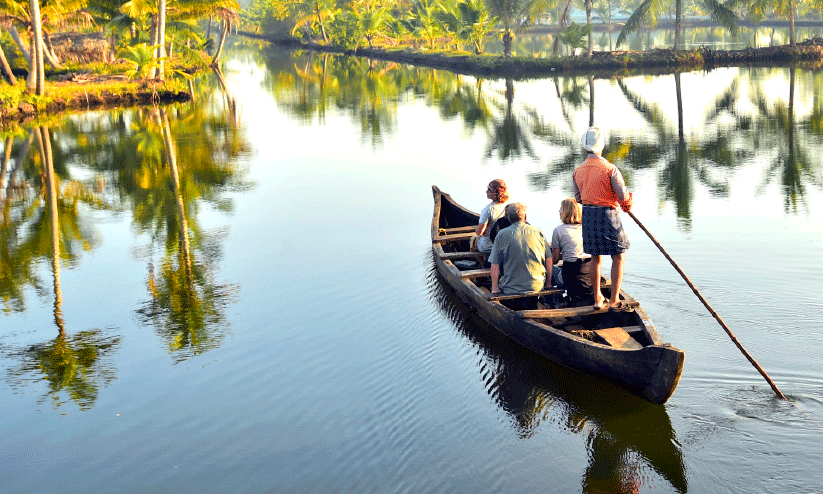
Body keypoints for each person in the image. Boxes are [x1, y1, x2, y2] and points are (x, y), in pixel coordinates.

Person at [572, 127, 633, 311]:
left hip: (589, 214)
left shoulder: (578, 170)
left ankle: (598, 298)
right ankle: (614, 299)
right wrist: (628, 201)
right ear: (602, 146)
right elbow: (623, 197)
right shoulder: (610, 169)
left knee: (595, 257)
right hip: (608, 214)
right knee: (618, 256)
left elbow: (579, 199)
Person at [489, 203, 552, 309]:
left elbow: (494, 264)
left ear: (508, 218)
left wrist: (495, 288)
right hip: (537, 286)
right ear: (525, 217)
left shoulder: (502, 234)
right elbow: (549, 260)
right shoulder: (538, 231)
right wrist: (548, 283)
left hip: (510, 288)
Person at [551, 198, 592, 302]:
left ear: (566, 212)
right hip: (588, 273)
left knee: (551, 270)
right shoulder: (588, 228)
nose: (559, 211)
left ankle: (552, 301)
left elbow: (555, 259)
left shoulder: (558, 230)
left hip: (570, 275)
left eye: (561, 209)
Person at [474, 179, 509, 254]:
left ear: (495, 193)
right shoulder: (508, 206)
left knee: (473, 240)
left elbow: (480, 232)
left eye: (489, 190)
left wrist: (476, 229)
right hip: (504, 245)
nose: (486, 191)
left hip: (487, 246)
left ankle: (480, 262)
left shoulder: (488, 210)